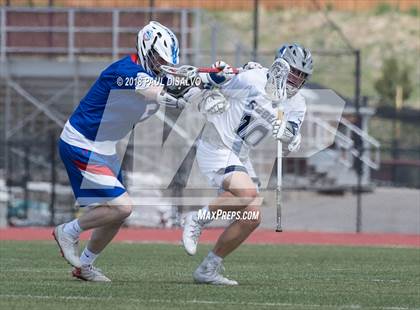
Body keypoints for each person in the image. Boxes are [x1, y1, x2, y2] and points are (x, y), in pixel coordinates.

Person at [53, 21, 227, 282]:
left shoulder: (157, 71)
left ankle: (85, 266)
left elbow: (182, 83)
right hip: (81, 143)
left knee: (115, 213)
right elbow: (163, 93)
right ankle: (68, 231)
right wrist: (195, 86)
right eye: (158, 57)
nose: (161, 63)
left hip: (105, 147)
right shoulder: (126, 71)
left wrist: (211, 78)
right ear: (146, 50)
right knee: (122, 207)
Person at [182, 43, 313, 285]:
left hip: (240, 155)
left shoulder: (297, 103)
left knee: (252, 217)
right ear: (280, 66)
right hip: (217, 145)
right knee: (248, 193)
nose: (297, 79)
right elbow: (212, 83)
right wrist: (214, 76)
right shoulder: (253, 79)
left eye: (302, 75)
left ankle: (208, 268)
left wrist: (288, 133)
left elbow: (293, 132)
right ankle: (197, 219)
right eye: (294, 71)